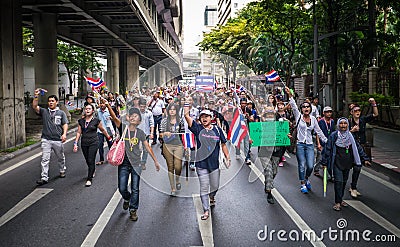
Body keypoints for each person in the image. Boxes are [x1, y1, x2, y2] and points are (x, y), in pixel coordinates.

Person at [104, 99, 161, 221]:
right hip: (123, 164)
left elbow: (147, 147)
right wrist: (108, 105)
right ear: (128, 118)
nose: (134, 118)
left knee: (135, 188)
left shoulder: (140, 133)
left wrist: (155, 161)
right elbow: (114, 117)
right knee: (122, 188)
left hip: (136, 164)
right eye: (132, 116)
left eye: (136, 116)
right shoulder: (123, 128)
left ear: (140, 120)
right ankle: (127, 198)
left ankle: (133, 210)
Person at [184, 107, 231, 220]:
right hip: (201, 164)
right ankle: (206, 210)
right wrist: (185, 104)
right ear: (200, 119)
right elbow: (187, 117)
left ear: (211, 118)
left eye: (206, 116)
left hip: (214, 164)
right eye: (202, 117)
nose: (204, 118)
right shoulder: (198, 128)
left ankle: (212, 196)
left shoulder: (218, 130)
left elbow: (223, 144)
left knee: (215, 186)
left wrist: (227, 157)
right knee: (204, 187)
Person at [321, 118, 371, 211]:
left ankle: (340, 199)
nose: (343, 125)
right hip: (337, 162)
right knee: (338, 182)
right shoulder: (334, 136)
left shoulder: (350, 136)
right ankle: (337, 202)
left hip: (347, 163)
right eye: (341, 123)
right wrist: (324, 162)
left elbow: (358, 148)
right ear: (338, 125)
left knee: (344, 182)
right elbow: (327, 149)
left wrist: (365, 159)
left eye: (345, 123)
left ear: (348, 125)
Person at [286, 87, 327, 194]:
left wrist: (327, 141)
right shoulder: (298, 116)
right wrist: (290, 94)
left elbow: (319, 132)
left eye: (307, 107)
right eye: (303, 107)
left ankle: (307, 178)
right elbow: (294, 105)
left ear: (310, 109)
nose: (305, 108)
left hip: (309, 145)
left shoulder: (313, 119)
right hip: (300, 144)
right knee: (301, 164)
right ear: (302, 109)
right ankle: (303, 183)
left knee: (310, 165)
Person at [32, 90, 68, 185]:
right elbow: (35, 106)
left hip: (57, 139)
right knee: (45, 159)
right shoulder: (44, 111)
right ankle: (44, 177)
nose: (50, 102)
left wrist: (64, 134)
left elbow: (65, 124)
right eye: (49, 101)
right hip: (46, 139)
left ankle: (62, 170)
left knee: (60, 157)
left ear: (56, 102)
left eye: (52, 101)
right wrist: (36, 96)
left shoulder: (61, 113)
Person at [73, 104, 112, 186]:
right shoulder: (81, 121)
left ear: (93, 111)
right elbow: (79, 132)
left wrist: (108, 137)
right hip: (84, 143)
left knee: (91, 159)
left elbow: (103, 130)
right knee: (87, 160)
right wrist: (75, 143)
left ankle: (89, 178)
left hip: (93, 142)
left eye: (89, 109)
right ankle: (92, 169)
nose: (87, 110)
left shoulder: (96, 121)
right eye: (86, 109)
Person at [348, 99, 378, 198]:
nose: (357, 112)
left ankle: (353, 187)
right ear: (351, 112)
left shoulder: (363, 120)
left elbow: (375, 114)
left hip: (361, 147)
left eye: (359, 111)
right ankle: (349, 186)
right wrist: (352, 131)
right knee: (348, 168)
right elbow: (343, 136)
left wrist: (373, 104)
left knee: (358, 167)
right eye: (355, 111)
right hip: (351, 148)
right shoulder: (348, 122)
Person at [259, 107, 287, 204]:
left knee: (274, 171)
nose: (270, 116)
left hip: (277, 151)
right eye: (268, 115)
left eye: (272, 115)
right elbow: (255, 134)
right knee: (269, 171)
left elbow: (285, 133)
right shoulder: (261, 125)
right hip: (264, 152)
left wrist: (287, 136)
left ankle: (268, 182)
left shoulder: (280, 125)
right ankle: (269, 192)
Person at [160, 103, 185, 196]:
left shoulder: (180, 121)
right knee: (170, 166)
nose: (172, 111)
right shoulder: (164, 121)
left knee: (178, 166)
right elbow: (160, 134)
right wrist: (165, 133)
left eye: (174, 109)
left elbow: (183, 134)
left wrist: (185, 147)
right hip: (167, 145)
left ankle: (177, 179)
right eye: (170, 109)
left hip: (178, 145)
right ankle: (172, 188)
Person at [314, 106, 335, 177]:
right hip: (322, 142)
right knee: (320, 158)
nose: (329, 114)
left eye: (330, 112)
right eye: (327, 112)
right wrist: (318, 143)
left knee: (329, 158)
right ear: (323, 113)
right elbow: (317, 132)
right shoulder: (320, 122)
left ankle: (328, 174)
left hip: (329, 143)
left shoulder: (332, 121)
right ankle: (316, 169)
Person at [137, 98, 154, 170]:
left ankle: (143, 163)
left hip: (146, 134)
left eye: (144, 106)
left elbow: (152, 124)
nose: (142, 108)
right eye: (141, 106)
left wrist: (152, 133)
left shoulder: (149, 113)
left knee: (145, 150)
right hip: (136, 134)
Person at [96, 100, 114, 165]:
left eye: (103, 103)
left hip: (108, 130)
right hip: (100, 131)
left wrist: (111, 118)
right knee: (100, 145)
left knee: (110, 144)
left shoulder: (109, 110)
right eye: (101, 103)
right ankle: (101, 159)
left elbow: (115, 118)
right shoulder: (97, 111)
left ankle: (112, 157)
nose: (102, 105)